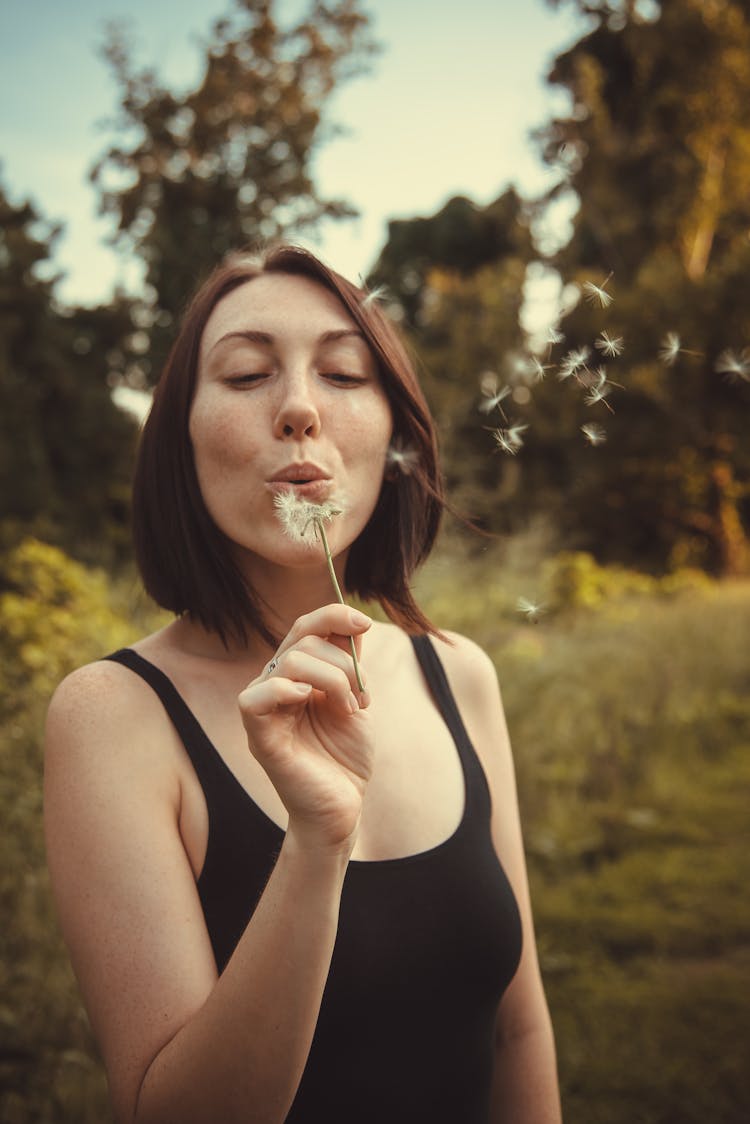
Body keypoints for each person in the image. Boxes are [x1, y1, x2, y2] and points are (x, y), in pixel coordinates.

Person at [44, 245, 562, 1124]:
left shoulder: (459, 675)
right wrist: (316, 843)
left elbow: (519, 1032)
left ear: (395, 433)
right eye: (247, 374)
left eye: (344, 373)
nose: (298, 407)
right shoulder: (114, 717)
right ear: (181, 435)